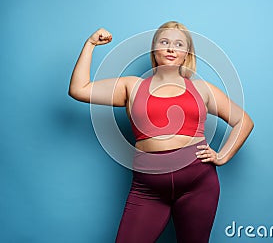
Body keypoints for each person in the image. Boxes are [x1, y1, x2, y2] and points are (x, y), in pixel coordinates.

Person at [68, 21, 254, 242]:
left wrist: (222, 156)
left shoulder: (202, 89)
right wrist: (89, 44)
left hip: (198, 184)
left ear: (187, 54)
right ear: (154, 49)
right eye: (164, 42)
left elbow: (243, 121)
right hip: (147, 189)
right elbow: (78, 89)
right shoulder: (132, 86)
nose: (170, 48)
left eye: (178, 44)